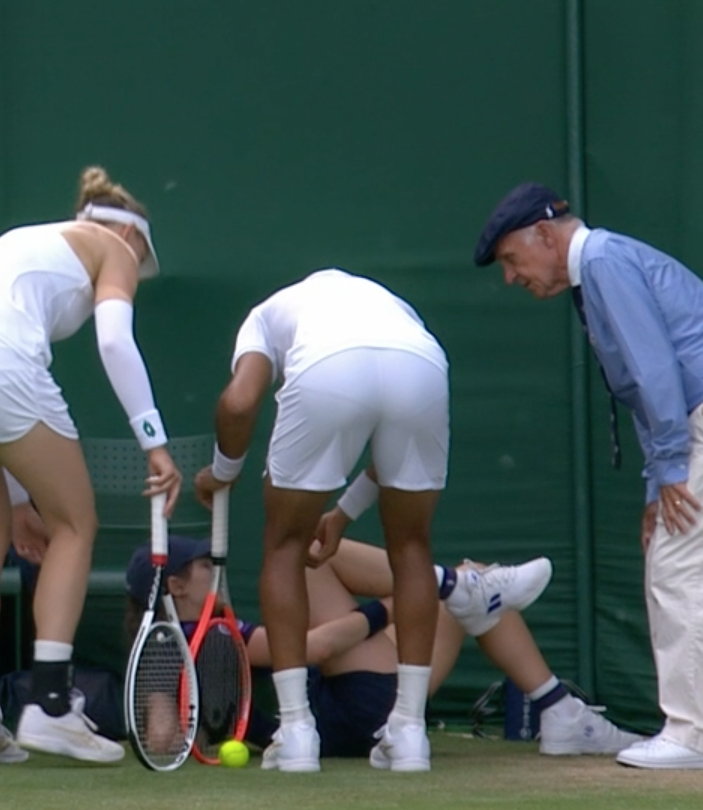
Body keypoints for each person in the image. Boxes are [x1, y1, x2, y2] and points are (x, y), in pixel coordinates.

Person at [473, 183, 703, 770]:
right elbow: (647, 386)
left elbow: (653, 368)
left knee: (684, 567)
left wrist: (669, 465)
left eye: (513, 261)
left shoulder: (603, 261)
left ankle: (700, 735)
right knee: (678, 561)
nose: (512, 278)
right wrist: (656, 483)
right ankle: (702, 729)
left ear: (544, 236)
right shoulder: (600, 267)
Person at [192, 267, 542, 773]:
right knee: (412, 548)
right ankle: (408, 734)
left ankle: (296, 735)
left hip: (324, 373)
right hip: (422, 367)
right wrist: (343, 513)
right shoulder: (396, 314)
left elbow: (239, 401)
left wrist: (222, 472)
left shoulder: (265, 319)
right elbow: (392, 447)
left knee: (286, 547)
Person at [0, 165, 182, 766]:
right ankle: (51, 705)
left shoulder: (33, 241)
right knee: (75, 526)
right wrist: (154, 443)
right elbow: (114, 342)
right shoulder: (116, 249)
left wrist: (17, 500)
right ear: (133, 237)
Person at [124, 526, 638, 764]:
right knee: (313, 552)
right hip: (358, 709)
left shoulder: (194, 636)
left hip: (360, 699)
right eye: (196, 564)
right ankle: (444, 585)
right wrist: (396, 605)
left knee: (474, 595)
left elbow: (164, 737)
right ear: (176, 587)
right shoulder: (204, 636)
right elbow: (317, 648)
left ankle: (559, 709)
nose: (208, 567)